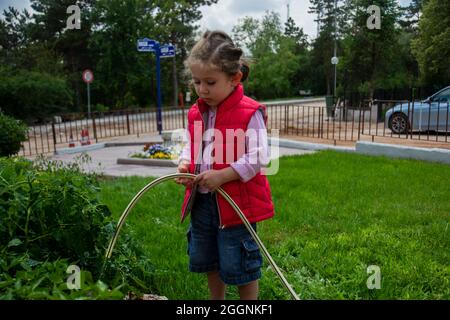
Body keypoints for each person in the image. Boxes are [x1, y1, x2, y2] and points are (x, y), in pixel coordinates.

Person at [175, 30, 275, 300]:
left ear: (235, 78)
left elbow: (258, 157)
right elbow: (191, 145)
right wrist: (186, 164)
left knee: (241, 262)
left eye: (210, 82)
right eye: (196, 82)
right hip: (203, 203)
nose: (202, 89)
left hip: (237, 205)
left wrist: (224, 175)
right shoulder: (197, 111)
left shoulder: (249, 112)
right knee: (210, 258)